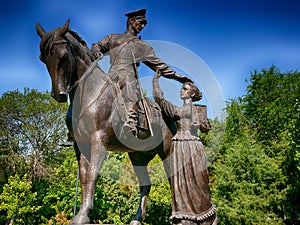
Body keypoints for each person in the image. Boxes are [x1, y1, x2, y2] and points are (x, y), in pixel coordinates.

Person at [91, 8, 192, 135]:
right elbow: (97, 45)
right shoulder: (113, 38)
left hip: (128, 75)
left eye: (145, 23)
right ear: (131, 21)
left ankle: (131, 120)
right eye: (141, 22)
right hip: (111, 74)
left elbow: (159, 65)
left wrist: (177, 77)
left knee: (130, 84)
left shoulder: (142, 46)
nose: (143, 26)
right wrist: (96, 51)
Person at [152, 71, 218, 225]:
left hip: (194, 146)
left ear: (192, 93)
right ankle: (184, 215)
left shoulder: (199, 110)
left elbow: (207, 128)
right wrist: (155, 80)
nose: (182, 90)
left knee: (199, 181)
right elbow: (159, 99)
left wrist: (201, 125)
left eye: (186, 88)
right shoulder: (176, 111)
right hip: (179, 147)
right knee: (180, 181)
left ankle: (205, 215)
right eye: (182, 88)